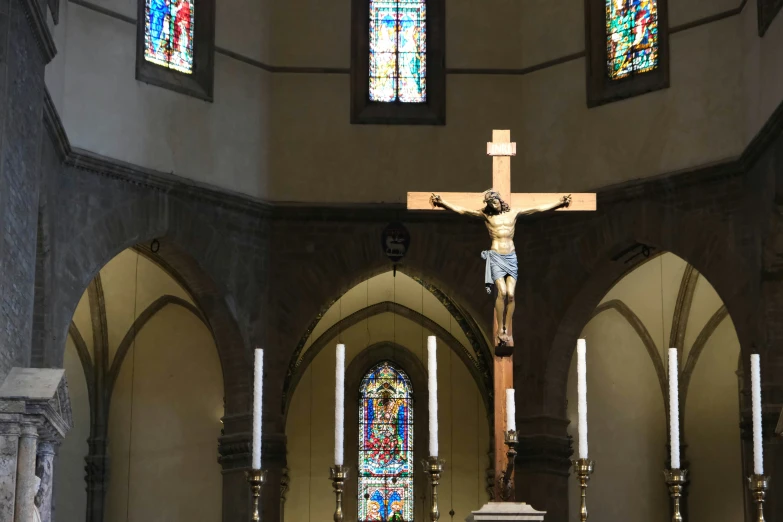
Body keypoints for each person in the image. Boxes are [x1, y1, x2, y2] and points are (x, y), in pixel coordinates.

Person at [431, 190, 571, 352]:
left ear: (499, 200)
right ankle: (499, 330)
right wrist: (443, 203)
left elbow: (538, 209)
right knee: (502, 292)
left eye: (495, 201)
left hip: (511, 257)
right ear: (488, 204)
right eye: (491, 203)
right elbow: (462, 210)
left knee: (511, 295)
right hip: (496, 257)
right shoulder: (487, 216)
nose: (494, 204)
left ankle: (506, 327)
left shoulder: (514, 213)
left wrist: (559, 203)